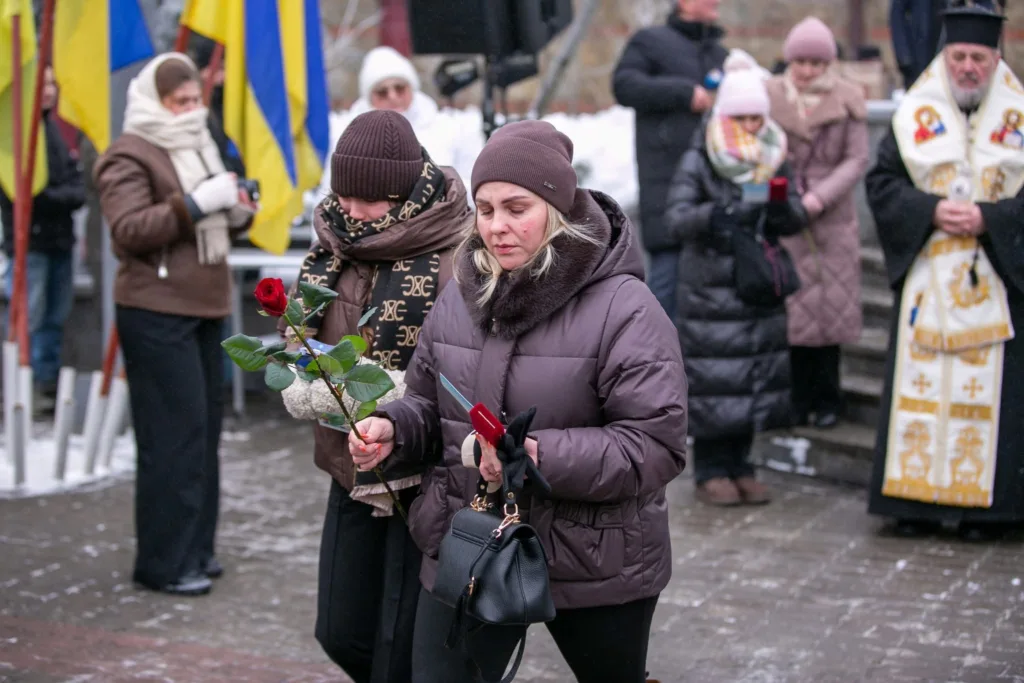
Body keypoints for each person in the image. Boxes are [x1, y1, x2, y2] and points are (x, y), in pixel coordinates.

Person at [348, 120, 688, 683]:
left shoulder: (625, 308)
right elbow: (431, 404)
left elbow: (655, 445)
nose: (496, 227)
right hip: (473, 535)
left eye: (516, 208)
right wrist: (395, 427)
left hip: (593, 553)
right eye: (484, 210)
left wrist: (536, 455)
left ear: (556, 209)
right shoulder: (459, 294)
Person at [278, 110, 471, 682]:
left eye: (368, 200)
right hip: (350, 465)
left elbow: (470, 370)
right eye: (343, 195)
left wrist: (393, 395)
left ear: (404, 192)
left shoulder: (457, 254)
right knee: (341, 631)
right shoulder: (333, 243)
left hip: (424, 475)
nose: (351, 211)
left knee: (401, 650)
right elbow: (300, 332)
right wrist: (300, 372)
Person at [94, 53, 256, 596]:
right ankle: (164, 563)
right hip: (157, 310)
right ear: (155, 101)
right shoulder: (129, 152)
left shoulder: (199, 142)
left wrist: (236, 210)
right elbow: (129, 230)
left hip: (204, 304)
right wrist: (194, 204)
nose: (190, 110)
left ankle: (197, 549)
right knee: (172, 439)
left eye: (194, 100)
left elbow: (209, 224)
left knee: (203, 436)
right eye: (178, 102)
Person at [865, 3, 1024, 540]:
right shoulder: (915, 114)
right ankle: (916, 506)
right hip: (927, 281)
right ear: (945, 57)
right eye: (959, 57)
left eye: (978, 58)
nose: (968, 68)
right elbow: (882, 184)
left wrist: (991, 219)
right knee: (922, 394)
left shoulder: (1018, 117)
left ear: (996, 60)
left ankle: (988, 514)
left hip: (996, 280)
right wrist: (929, 210)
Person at [664, 67, 808, 506]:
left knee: (753, 377)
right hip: (711, 287)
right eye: (741, 118)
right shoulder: (702, 155)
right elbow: (676, 217)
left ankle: (743, 466)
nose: (750, 126)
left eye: (756, 118)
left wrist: (780, 206)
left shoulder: (774, 153)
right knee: (716, 379)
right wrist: (716, 215)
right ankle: (711, 470)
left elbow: (797, 213)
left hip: (756, 282)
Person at [766, 18, 871, 429]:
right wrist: (783, 196)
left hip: (832, 219)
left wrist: (818, 197)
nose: (807, 71)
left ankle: (829, 398)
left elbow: (856, 158)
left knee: (830, 310)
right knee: (793, 312)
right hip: (786, 215)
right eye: (801, 62)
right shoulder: (770, 97)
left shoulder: (848, 99)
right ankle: (797, 398)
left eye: (816, 63)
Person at [612, 0, 728, 317]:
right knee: (666, 287)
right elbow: (624, 86)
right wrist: (684, 94)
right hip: (665, 185)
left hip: (714, 192)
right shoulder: (650, 42)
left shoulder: (720, 54)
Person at [1, 66, 86, 408]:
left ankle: (44, 384)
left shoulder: (53, 129)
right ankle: (22, 386)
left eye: (52, 83)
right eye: (42, 83)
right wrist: (61, 196)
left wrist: (60, 195)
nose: (49, 90)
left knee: (54, 318)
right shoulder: (16, 132)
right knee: (29, 319)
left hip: (59, 240)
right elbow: (25, 194)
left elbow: (75, 185)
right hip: (31, 243)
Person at [320, 46, 481, 196]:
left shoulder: (449, 129)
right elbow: (329, 198)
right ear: (369, 98)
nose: (393, 96)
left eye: (400, 88)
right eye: (382, 92)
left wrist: (436, 189)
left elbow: (474, 191)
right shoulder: (349, 137)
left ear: (412, 88)